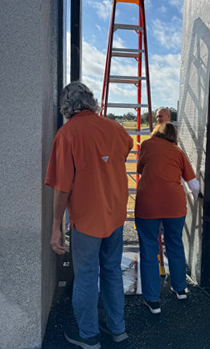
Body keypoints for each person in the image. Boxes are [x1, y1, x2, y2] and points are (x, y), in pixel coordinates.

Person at [46, 82, 133, 349]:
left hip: (87, 219)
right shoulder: (115, 128)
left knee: (86, 274)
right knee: (111, 271)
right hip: (115, 214)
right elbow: (127, 147)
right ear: (91, 101)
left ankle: (89, 335)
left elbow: (62, 187)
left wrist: (55, 227)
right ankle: (118, 330)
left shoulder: (67, 133)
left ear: (66, 106)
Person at [134, 122, 200, 314]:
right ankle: (180, 289)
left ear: (157, 132)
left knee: (149, 249)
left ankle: (153, 300)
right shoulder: (178, 152)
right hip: (174, 206)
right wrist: (192, 198)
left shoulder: (146, 145)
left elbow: (140, 169)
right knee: (175, 245)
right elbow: (194, 185)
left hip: (148, 205)